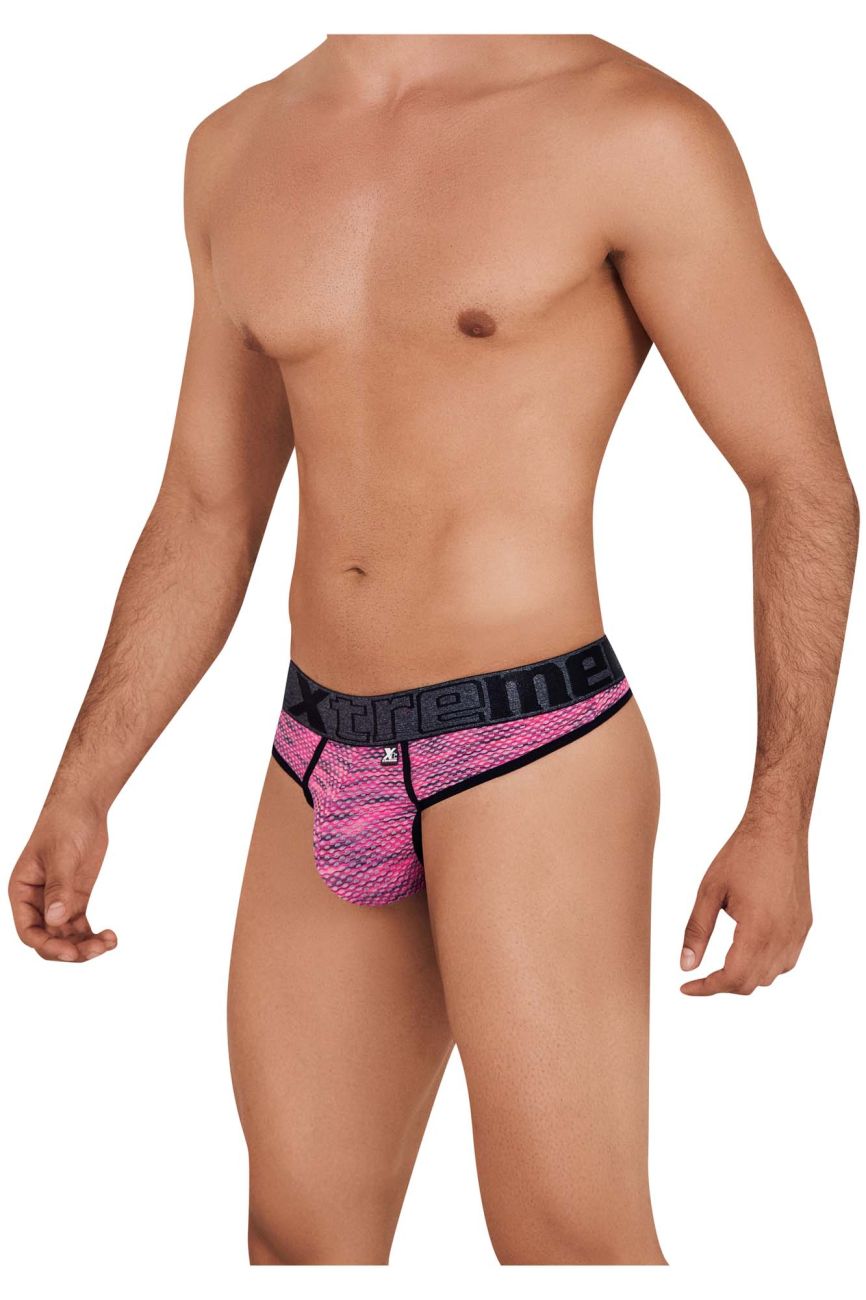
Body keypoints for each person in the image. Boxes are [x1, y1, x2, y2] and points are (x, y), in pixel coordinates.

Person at [8, 35, 858, 1266]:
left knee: (568, 1245)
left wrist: (778, 813)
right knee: (297, 1240)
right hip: (315, 749)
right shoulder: (236, 146)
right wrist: (84, 781)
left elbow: (799, 479)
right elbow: (206, 505)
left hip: (530, 747)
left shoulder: (629, 130)